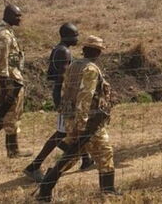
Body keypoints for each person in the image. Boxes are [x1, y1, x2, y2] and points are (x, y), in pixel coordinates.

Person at [37, 35, 119, 202]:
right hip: (88, 121)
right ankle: (108, 191)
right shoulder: (91, 69)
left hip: (70, 117)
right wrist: (82, 125)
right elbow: (85, 97)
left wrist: (72, 121)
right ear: (97, 52)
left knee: (71, 156)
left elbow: (66, 92)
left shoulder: (74, 65)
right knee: (105, 152)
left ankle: (45, 188)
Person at [23, 23, 93, 183]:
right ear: (67, 35)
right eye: (75, 34)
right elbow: (63, 78)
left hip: (62, 94)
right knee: (61, 133)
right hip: (65, 96)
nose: (78, 37)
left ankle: (86, 159)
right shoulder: (63, 51)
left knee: (75, 129)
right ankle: (34, 166)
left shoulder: (59, 49)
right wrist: (72, 97)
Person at [0, 5, 32, 158]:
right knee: (11, 113)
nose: (20, 19)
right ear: (8, 15)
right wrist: (5, 87)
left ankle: (13, 149)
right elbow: (2, 62)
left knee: (4, 113)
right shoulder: (4, 35)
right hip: (8, 78)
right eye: (17, 16)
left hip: (3, 76)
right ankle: (13, 150)